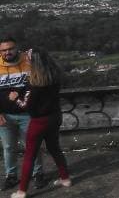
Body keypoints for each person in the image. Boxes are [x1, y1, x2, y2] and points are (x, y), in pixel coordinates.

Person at [8, 48, 71, 198]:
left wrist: (14, 98)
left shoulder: (34, 84)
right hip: (55, 117)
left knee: (30, 155)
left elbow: (25, 105)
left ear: (34, 62)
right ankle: (65, 179)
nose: (27, 60)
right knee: (55, 148)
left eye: (29, 59)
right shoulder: (54, 78)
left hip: (39, 122)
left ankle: (22, 191)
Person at [0, 38, 43, 190]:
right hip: (5, 116)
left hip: (28, 114)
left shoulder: (28, 61)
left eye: (10, 48)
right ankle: (11, 176)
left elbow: (39, 83)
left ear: (16, 48)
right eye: (3, 50)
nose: (7, 52)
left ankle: (38, 174)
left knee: (32, 146)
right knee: (8, 147)